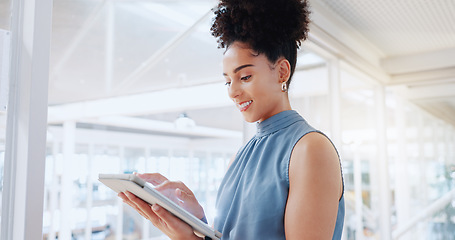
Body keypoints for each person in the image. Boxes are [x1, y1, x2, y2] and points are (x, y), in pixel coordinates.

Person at [119, 0, 345, 239]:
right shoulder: (240, 156)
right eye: (228, 81)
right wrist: (195, 219)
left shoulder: (310, 149)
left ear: (282, 72)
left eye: (245, 77)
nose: (232, 91)